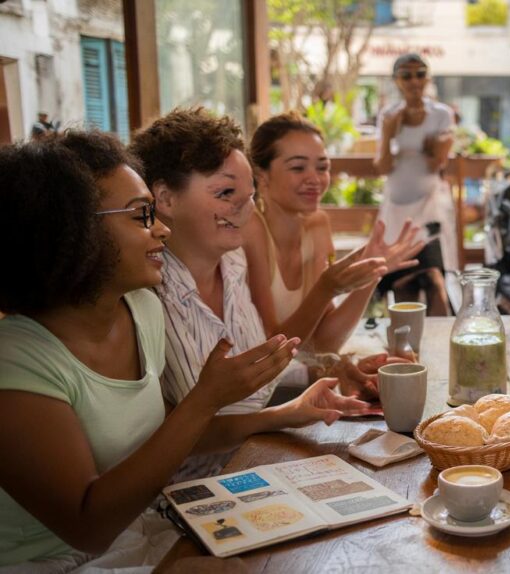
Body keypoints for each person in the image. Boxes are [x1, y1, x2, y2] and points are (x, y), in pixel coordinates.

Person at [0, 131, 298, 570]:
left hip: (140, 533)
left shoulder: (141, 310)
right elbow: (88, 525)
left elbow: (166, 438)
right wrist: (205, 399)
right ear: (72, 229)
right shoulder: (18, 360)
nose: (161, 227)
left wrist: (287, 415)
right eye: (142, 215)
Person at [130, 108, 385, 480]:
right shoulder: (145, 295)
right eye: (226, 192)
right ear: (165, 199)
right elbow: (163, 437)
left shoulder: (233, 265)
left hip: (256, 462)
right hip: (191, 489)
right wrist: (282, 415)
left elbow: (254, 373)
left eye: (248, 196)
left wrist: (332, 368)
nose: (244, 208)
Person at [244, 112, 423, 353]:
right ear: (261, 175)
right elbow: (271, 351)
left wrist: (372, 273)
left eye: (322, 167)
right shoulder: (251, 228)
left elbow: (325, 342)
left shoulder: (317, 226)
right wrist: (326, 288)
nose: (315, 179)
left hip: (304, 376)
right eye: (298, 167)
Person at [374, 53, 457, 316]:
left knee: (434, 276)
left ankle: (441, 343)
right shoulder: (389, 116)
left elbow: (436, 163)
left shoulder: (441, 114)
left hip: (430, 205)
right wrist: (389, 135)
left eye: (420, 74)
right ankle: (406, 347)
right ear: (396, 81)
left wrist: (433, 148)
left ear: (428, 78)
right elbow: (383, 166)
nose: (414, 81)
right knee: (401, 278)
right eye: (406, 75)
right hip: (396, 207)